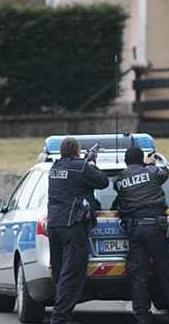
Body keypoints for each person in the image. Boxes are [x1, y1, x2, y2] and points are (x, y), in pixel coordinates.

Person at [113, 147, 169, 324]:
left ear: (126, 161)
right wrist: (151, 163)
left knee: (138, 276)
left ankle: (142, 318)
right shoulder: (152, 172)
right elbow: (163, 173)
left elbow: (118, 190)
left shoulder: (119, 180)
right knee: (166, 273)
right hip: (156, 229)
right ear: (141, 159)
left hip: (135, 230)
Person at [47, 137, 109, 324]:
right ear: (77, 151)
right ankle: (59, 317)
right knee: (71, 272)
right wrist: (90, 163)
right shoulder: (80, 168)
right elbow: (103, 182)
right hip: (72, 225)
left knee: (60, 271)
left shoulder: (54, 168)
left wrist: (86, 162)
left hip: (54, 224)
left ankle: (61, 312)